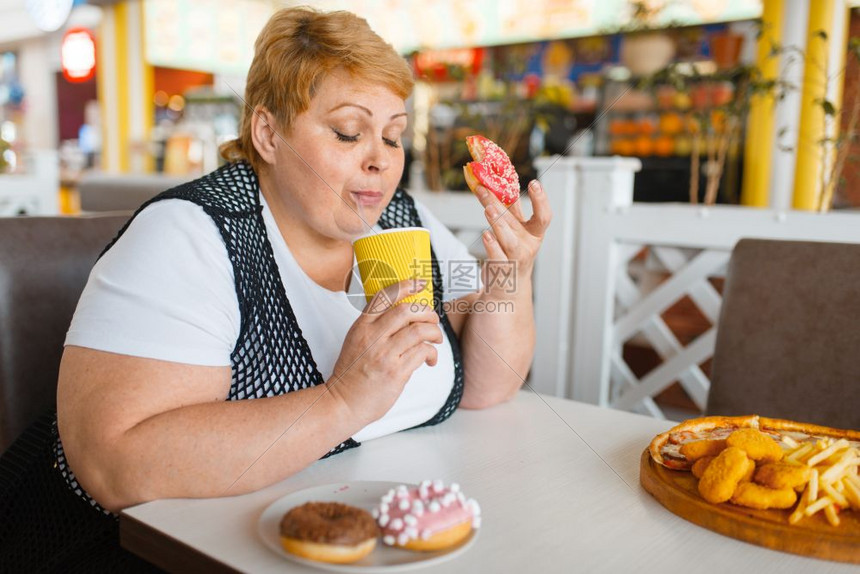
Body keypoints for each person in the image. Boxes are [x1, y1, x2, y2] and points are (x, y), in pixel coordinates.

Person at [0, 6, 551, 570]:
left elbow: (491, 384)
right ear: (267, 132)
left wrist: (513, 271)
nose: (381, 161)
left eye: (392, 136)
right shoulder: (192, 236)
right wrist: (342, 401)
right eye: (348, 132)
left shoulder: (410, 225)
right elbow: (114, 466)